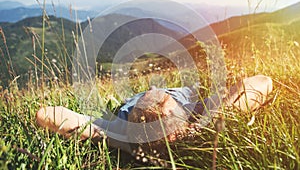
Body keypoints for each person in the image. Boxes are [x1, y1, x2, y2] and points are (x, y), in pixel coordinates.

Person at [36, 75, 273, 155]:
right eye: (159, 98)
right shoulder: (196, 112)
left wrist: (111, 139)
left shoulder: (120, 129)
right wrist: (205, 124)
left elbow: (46, 114)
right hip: (185, 97)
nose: (152, 92)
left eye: (153, 97)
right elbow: (263, 83)